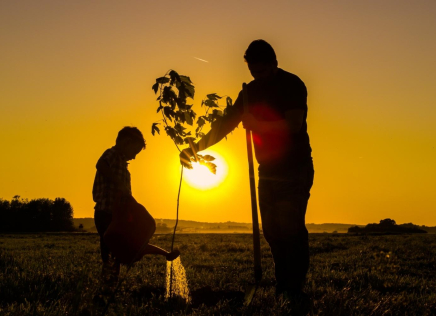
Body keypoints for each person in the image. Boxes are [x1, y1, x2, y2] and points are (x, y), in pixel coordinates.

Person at [180, 40, 314, 299]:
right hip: (268, 170)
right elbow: (225, 124)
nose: (257, 77)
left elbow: (293, 124)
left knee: (291, 228)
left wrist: (258, 125)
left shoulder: (292, 85)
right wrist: (195, 148)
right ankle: (283, 283)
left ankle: (293, 288)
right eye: (253, 72)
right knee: (272, 231)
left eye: (262, 71)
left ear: (274, 64)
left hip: (295, 168)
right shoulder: (249, 92)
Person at [93, 126, 179, 284]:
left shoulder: (123, 166)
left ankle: (165, 254)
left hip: (119, 214)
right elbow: (100, 165)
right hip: (106, 213)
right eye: (134, 152)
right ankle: (108, 283)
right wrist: (118, 183)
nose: (134, 157)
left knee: (129, 243)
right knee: (112, 249)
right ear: (125, 143)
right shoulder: (111, 154)